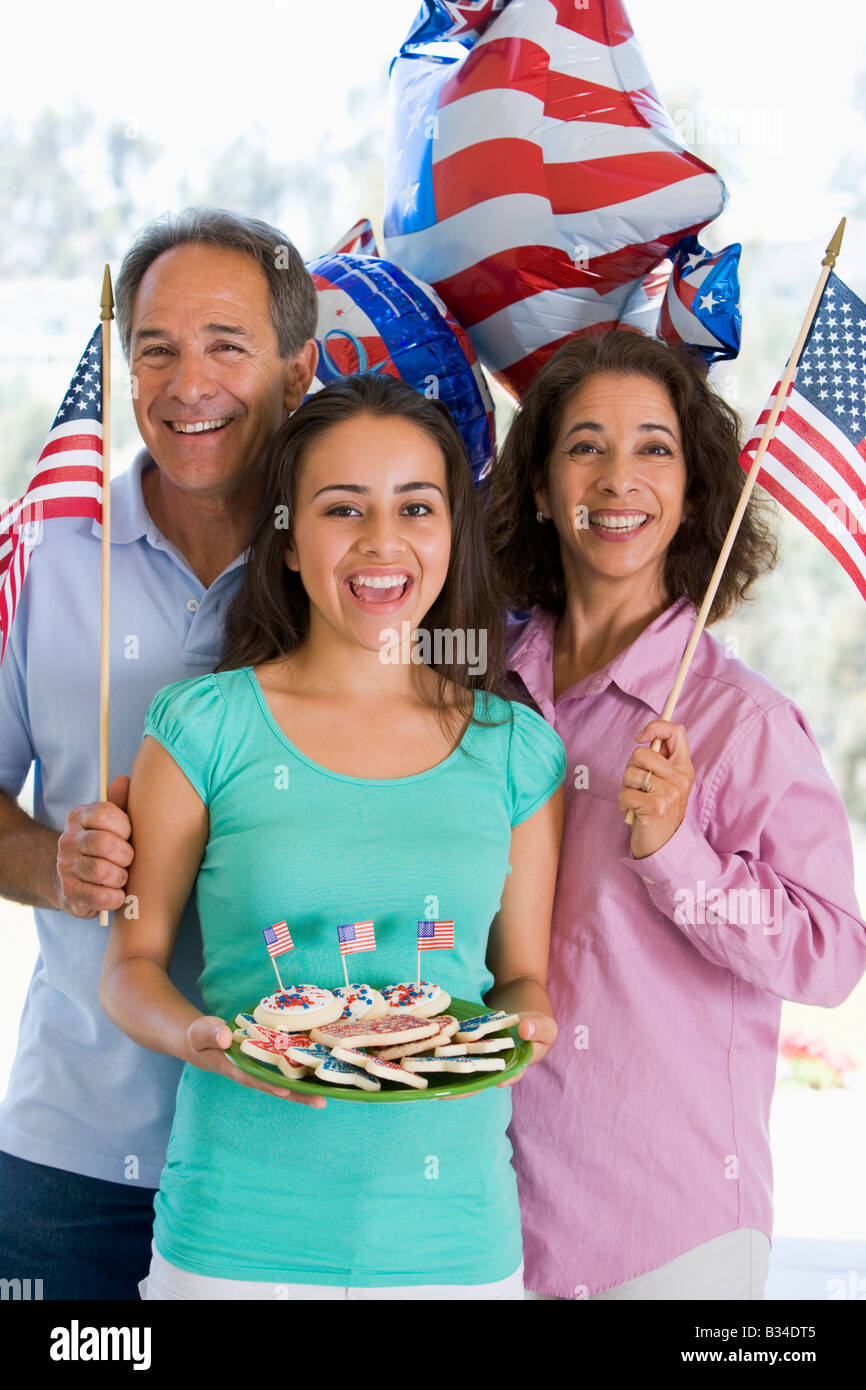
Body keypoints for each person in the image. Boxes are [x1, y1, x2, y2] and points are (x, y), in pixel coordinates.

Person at [99, 372, 565, 1300]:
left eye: (416, 507)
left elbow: (520, 977)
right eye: (342, 508)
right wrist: (202, 1037)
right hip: (234, 1243)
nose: (382, 542)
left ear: (451, 533)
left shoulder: (518, 751)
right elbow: (129, 968)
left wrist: (531, 1023)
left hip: (453, 1248)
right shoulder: (201, 728)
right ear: (288, 542)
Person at [485, 329, 866, 1301]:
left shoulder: (740, 721)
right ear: (535, 486)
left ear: (695, 490)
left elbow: (828, 954)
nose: (618, 479)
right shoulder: (480, 682)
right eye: (583, 445)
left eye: (654, 447)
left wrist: (678, 856)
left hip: (668, 1244)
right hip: (482, 1224)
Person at [0, 207, 319, 1299]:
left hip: (291, 1141)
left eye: (227, 344)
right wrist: (50, 864)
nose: (190, 383)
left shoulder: (358, 561)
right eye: (156, 349)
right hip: (73, 1147)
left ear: (296, 370)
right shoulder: (40, 553)